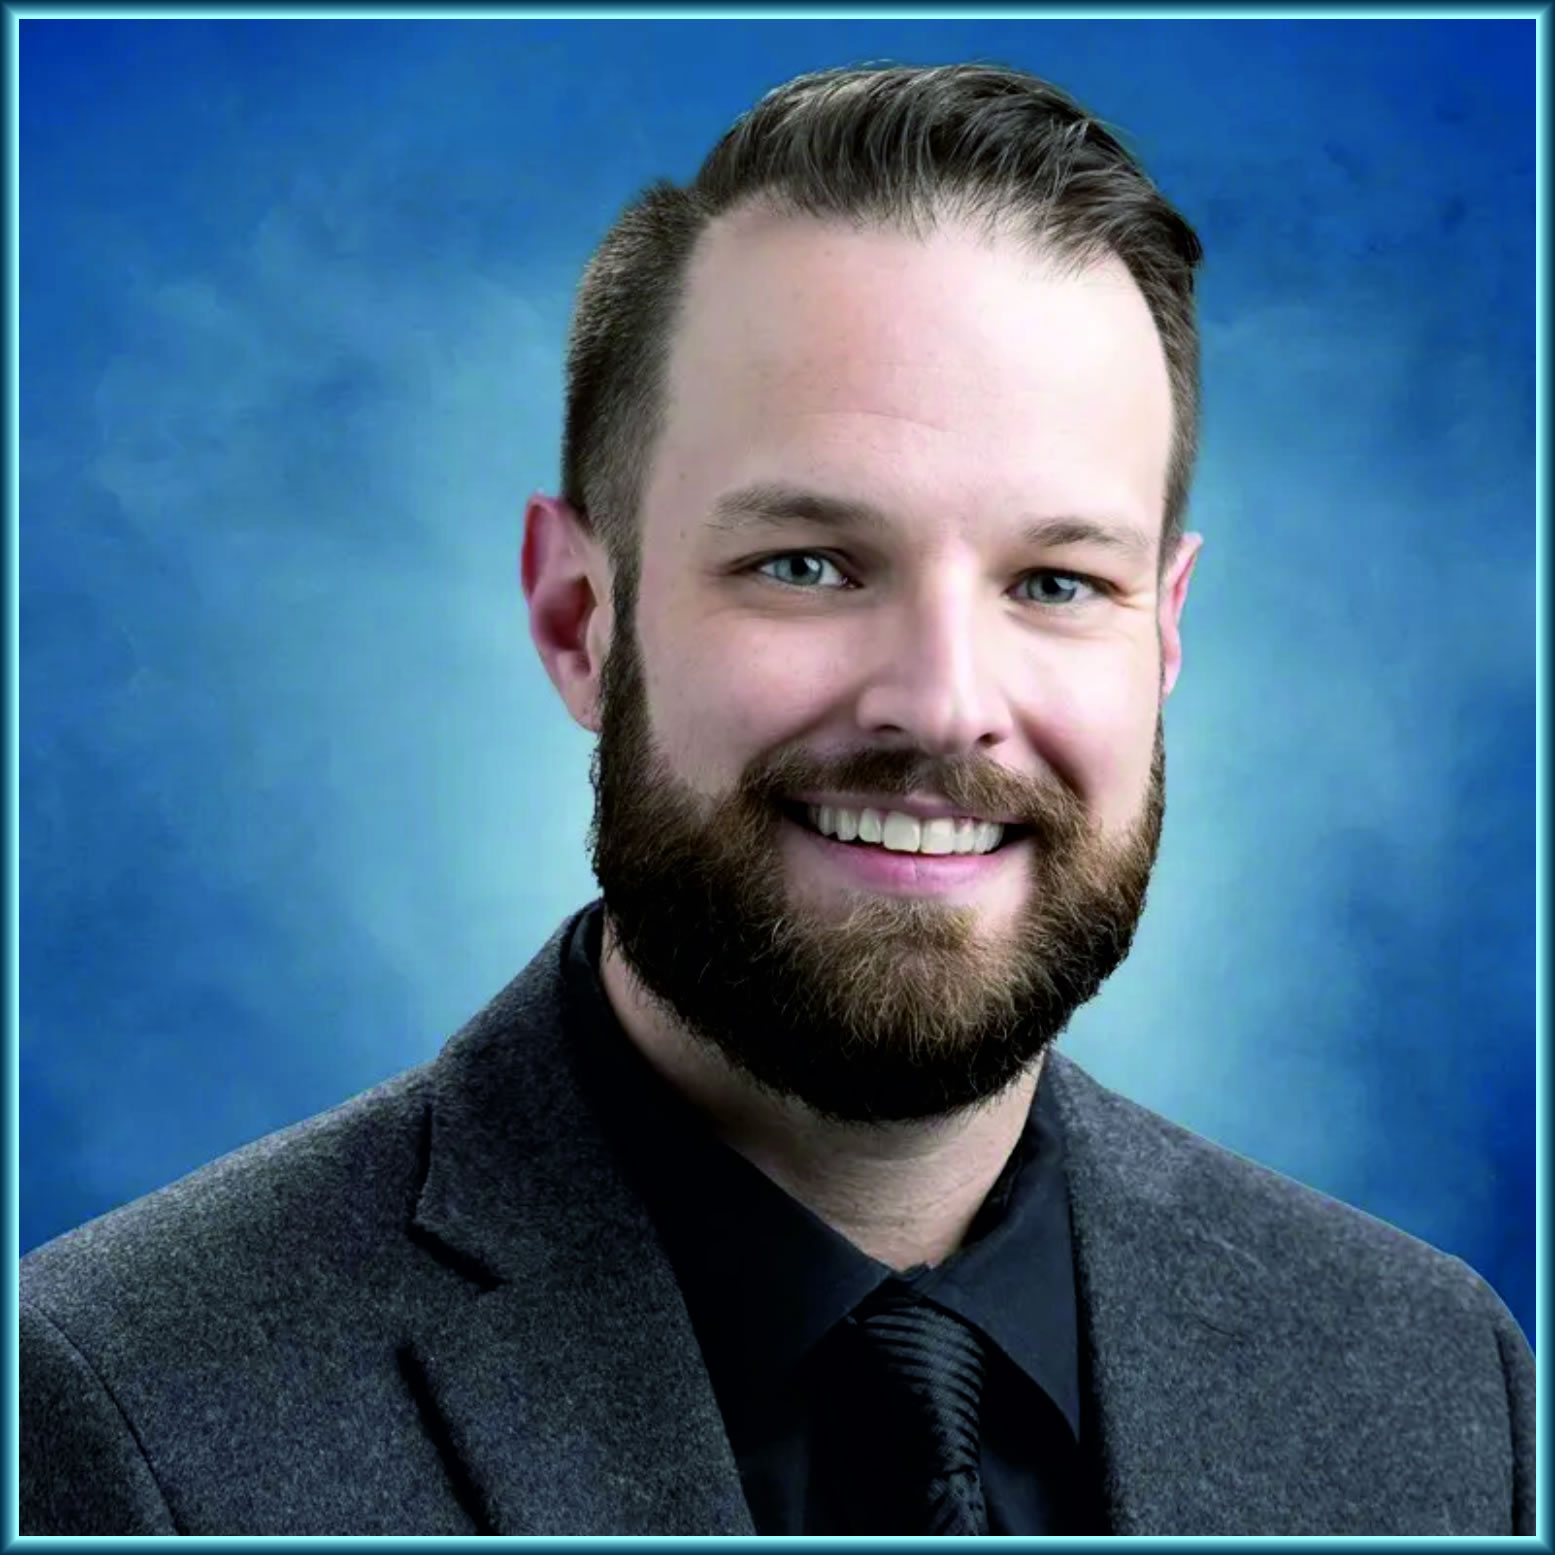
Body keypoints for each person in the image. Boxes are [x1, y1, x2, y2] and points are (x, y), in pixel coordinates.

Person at [21, 60, 1533, 1537]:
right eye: (807, 565)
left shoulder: (1438, 1387)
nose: (942, 701)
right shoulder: (116, 1418)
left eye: (1057, 581)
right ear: (580, 619)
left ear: (1166, 636)